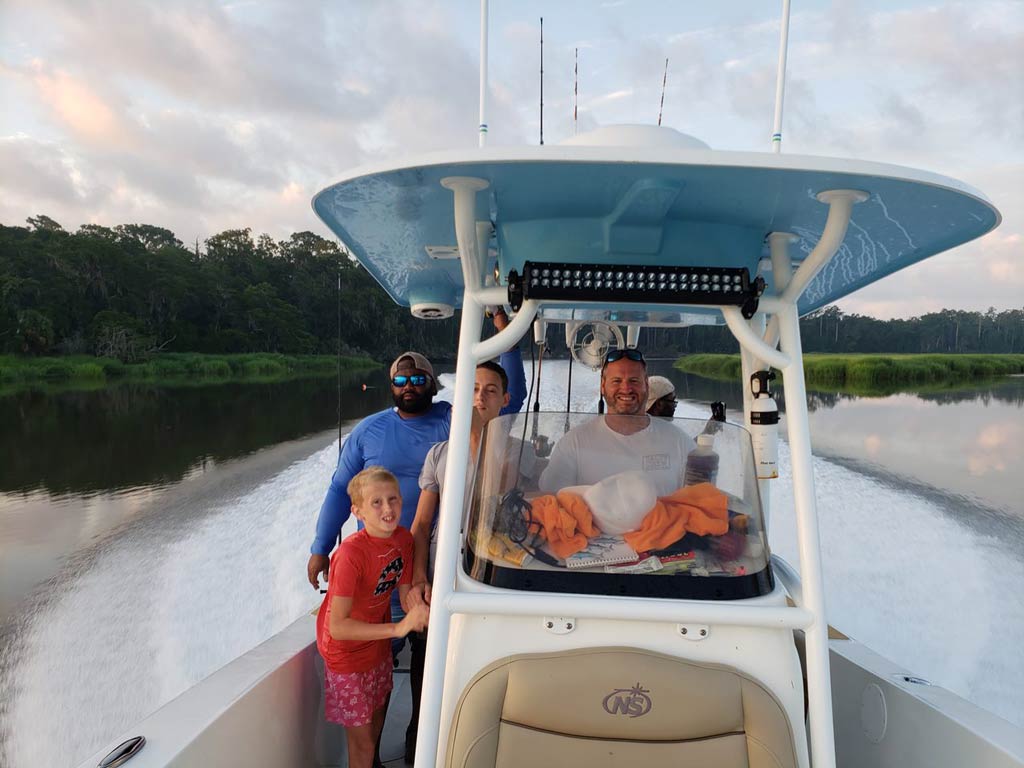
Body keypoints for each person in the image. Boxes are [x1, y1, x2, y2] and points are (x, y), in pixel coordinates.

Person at [315, 467, 429, 768]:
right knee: (363, 746)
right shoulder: (350, 555)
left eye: (393, 499)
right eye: (376, 502)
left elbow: (405, 592)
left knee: (376, 724)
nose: (388, 509)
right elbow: (337, 627)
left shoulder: (404, 540)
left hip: (376, 647)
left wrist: (421, 603)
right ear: (358, 511)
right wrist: (399, 628)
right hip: (347, 656)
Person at [539, 349, 695, 497]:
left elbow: (700, 502)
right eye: (617, 381)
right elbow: (551, 501)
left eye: (634, 380)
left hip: (663, 525)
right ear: (602, 386)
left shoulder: (680, 443)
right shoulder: (573, 443)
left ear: (646, 386)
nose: (626, 388)